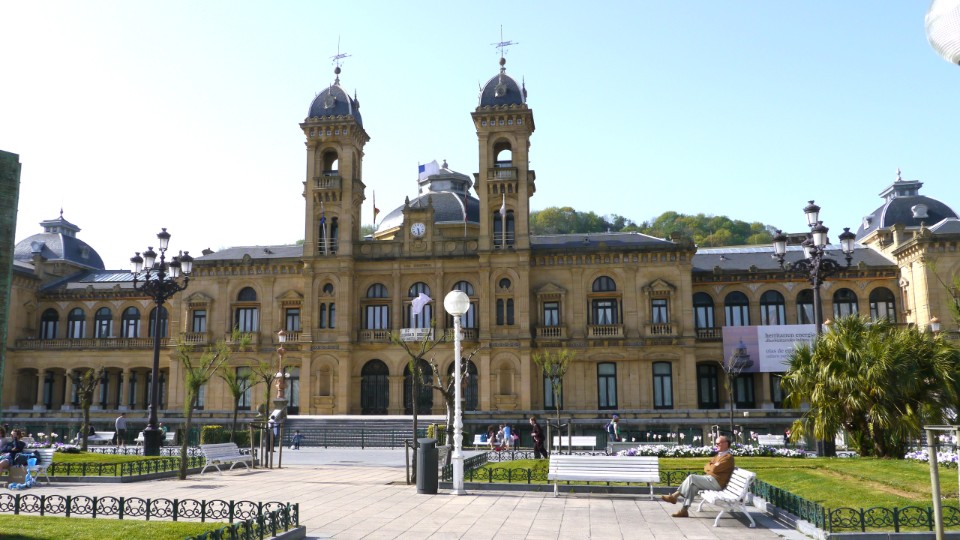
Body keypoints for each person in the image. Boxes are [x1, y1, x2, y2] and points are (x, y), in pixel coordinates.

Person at [661, 435, 735, 518]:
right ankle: (684, 510)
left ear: (726, 444)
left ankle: (674, 496)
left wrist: (711, 467)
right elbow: (706, 467)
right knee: (693, 486)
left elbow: (714, 469)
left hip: (717, 483)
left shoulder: (728, 458)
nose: (716, 445)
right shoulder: (718, 456)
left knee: (691, 477)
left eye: (718, 443)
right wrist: (711, 467)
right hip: (711, 480)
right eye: (716, 443)